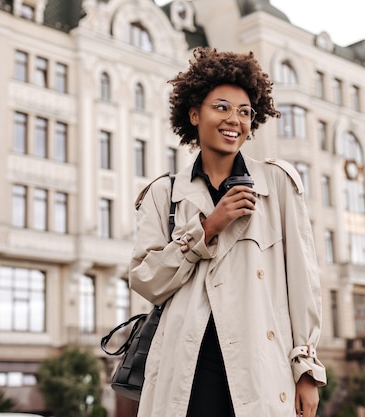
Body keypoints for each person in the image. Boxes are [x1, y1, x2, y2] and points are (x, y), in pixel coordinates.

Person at [129, 47, 326, 417]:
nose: (234, 119)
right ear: (193, 114)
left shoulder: (277, 183)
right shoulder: (163, 194)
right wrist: (207, 229)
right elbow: (146, 281)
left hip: (260, 371)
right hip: (184, 375)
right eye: (221, 107)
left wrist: (307, 371)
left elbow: (303, 286)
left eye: (245, 111)